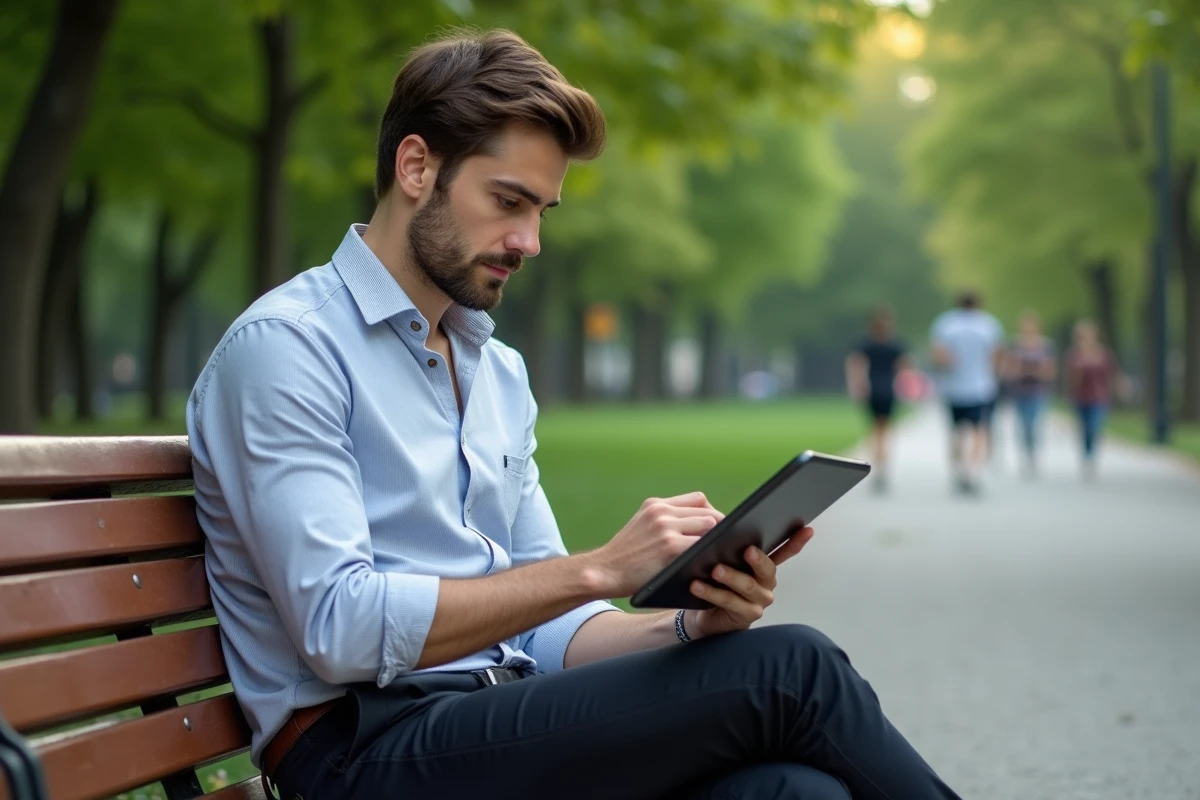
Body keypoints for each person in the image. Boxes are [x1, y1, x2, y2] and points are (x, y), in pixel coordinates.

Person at [187, 29, 960, 799]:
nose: (528, 241)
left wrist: (689, 628)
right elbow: (339, 629)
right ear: (416, 166)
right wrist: (597, 568)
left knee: (790, 791)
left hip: (495, 724)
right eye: (507, 201)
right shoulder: (289, 349)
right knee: (796, 669)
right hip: (362, 753)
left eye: (542, 212)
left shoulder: (498, 373)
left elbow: (549, 631)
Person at [930, 291, 1005, 495]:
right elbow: (996, 356)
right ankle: (972, 472)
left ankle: (958, 470)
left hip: (954, 388)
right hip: (981, 387)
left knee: (956, 432)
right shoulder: (989, 325)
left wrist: (952, 365)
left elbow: (939, 355)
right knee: (979, 432)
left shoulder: (946, 324)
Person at [845, 306, 910, 493]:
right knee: (884, 430)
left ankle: (878, 467)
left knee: (875, 430)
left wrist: (856, 387)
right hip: (887, 390)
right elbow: (904, 367)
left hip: (873, 390)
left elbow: (855, 365)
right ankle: (882, 468)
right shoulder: (895, 345)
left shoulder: (865, 344)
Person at [1002, 311, 1057, 477]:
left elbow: (1051, 368)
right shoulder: (1015, 344)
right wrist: (1015, 371)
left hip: (1038, 390)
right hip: (1020, 389)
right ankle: (1025, 454)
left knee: (1034, 424)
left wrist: (1041, 372)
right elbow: (1008, 367)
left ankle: (1033, 454)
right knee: (1023, 424)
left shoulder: (1046, 345)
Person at [1065, 319, 1119, 481]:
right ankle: (1087, 456)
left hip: (1099, 397)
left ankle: (1091, 456)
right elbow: (1071, 380)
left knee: (1095, 427)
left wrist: (1117, 389)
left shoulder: (1103, 354)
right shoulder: (1074, 356)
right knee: (1085, 430)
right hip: (1081, 398)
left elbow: (1111, 374)